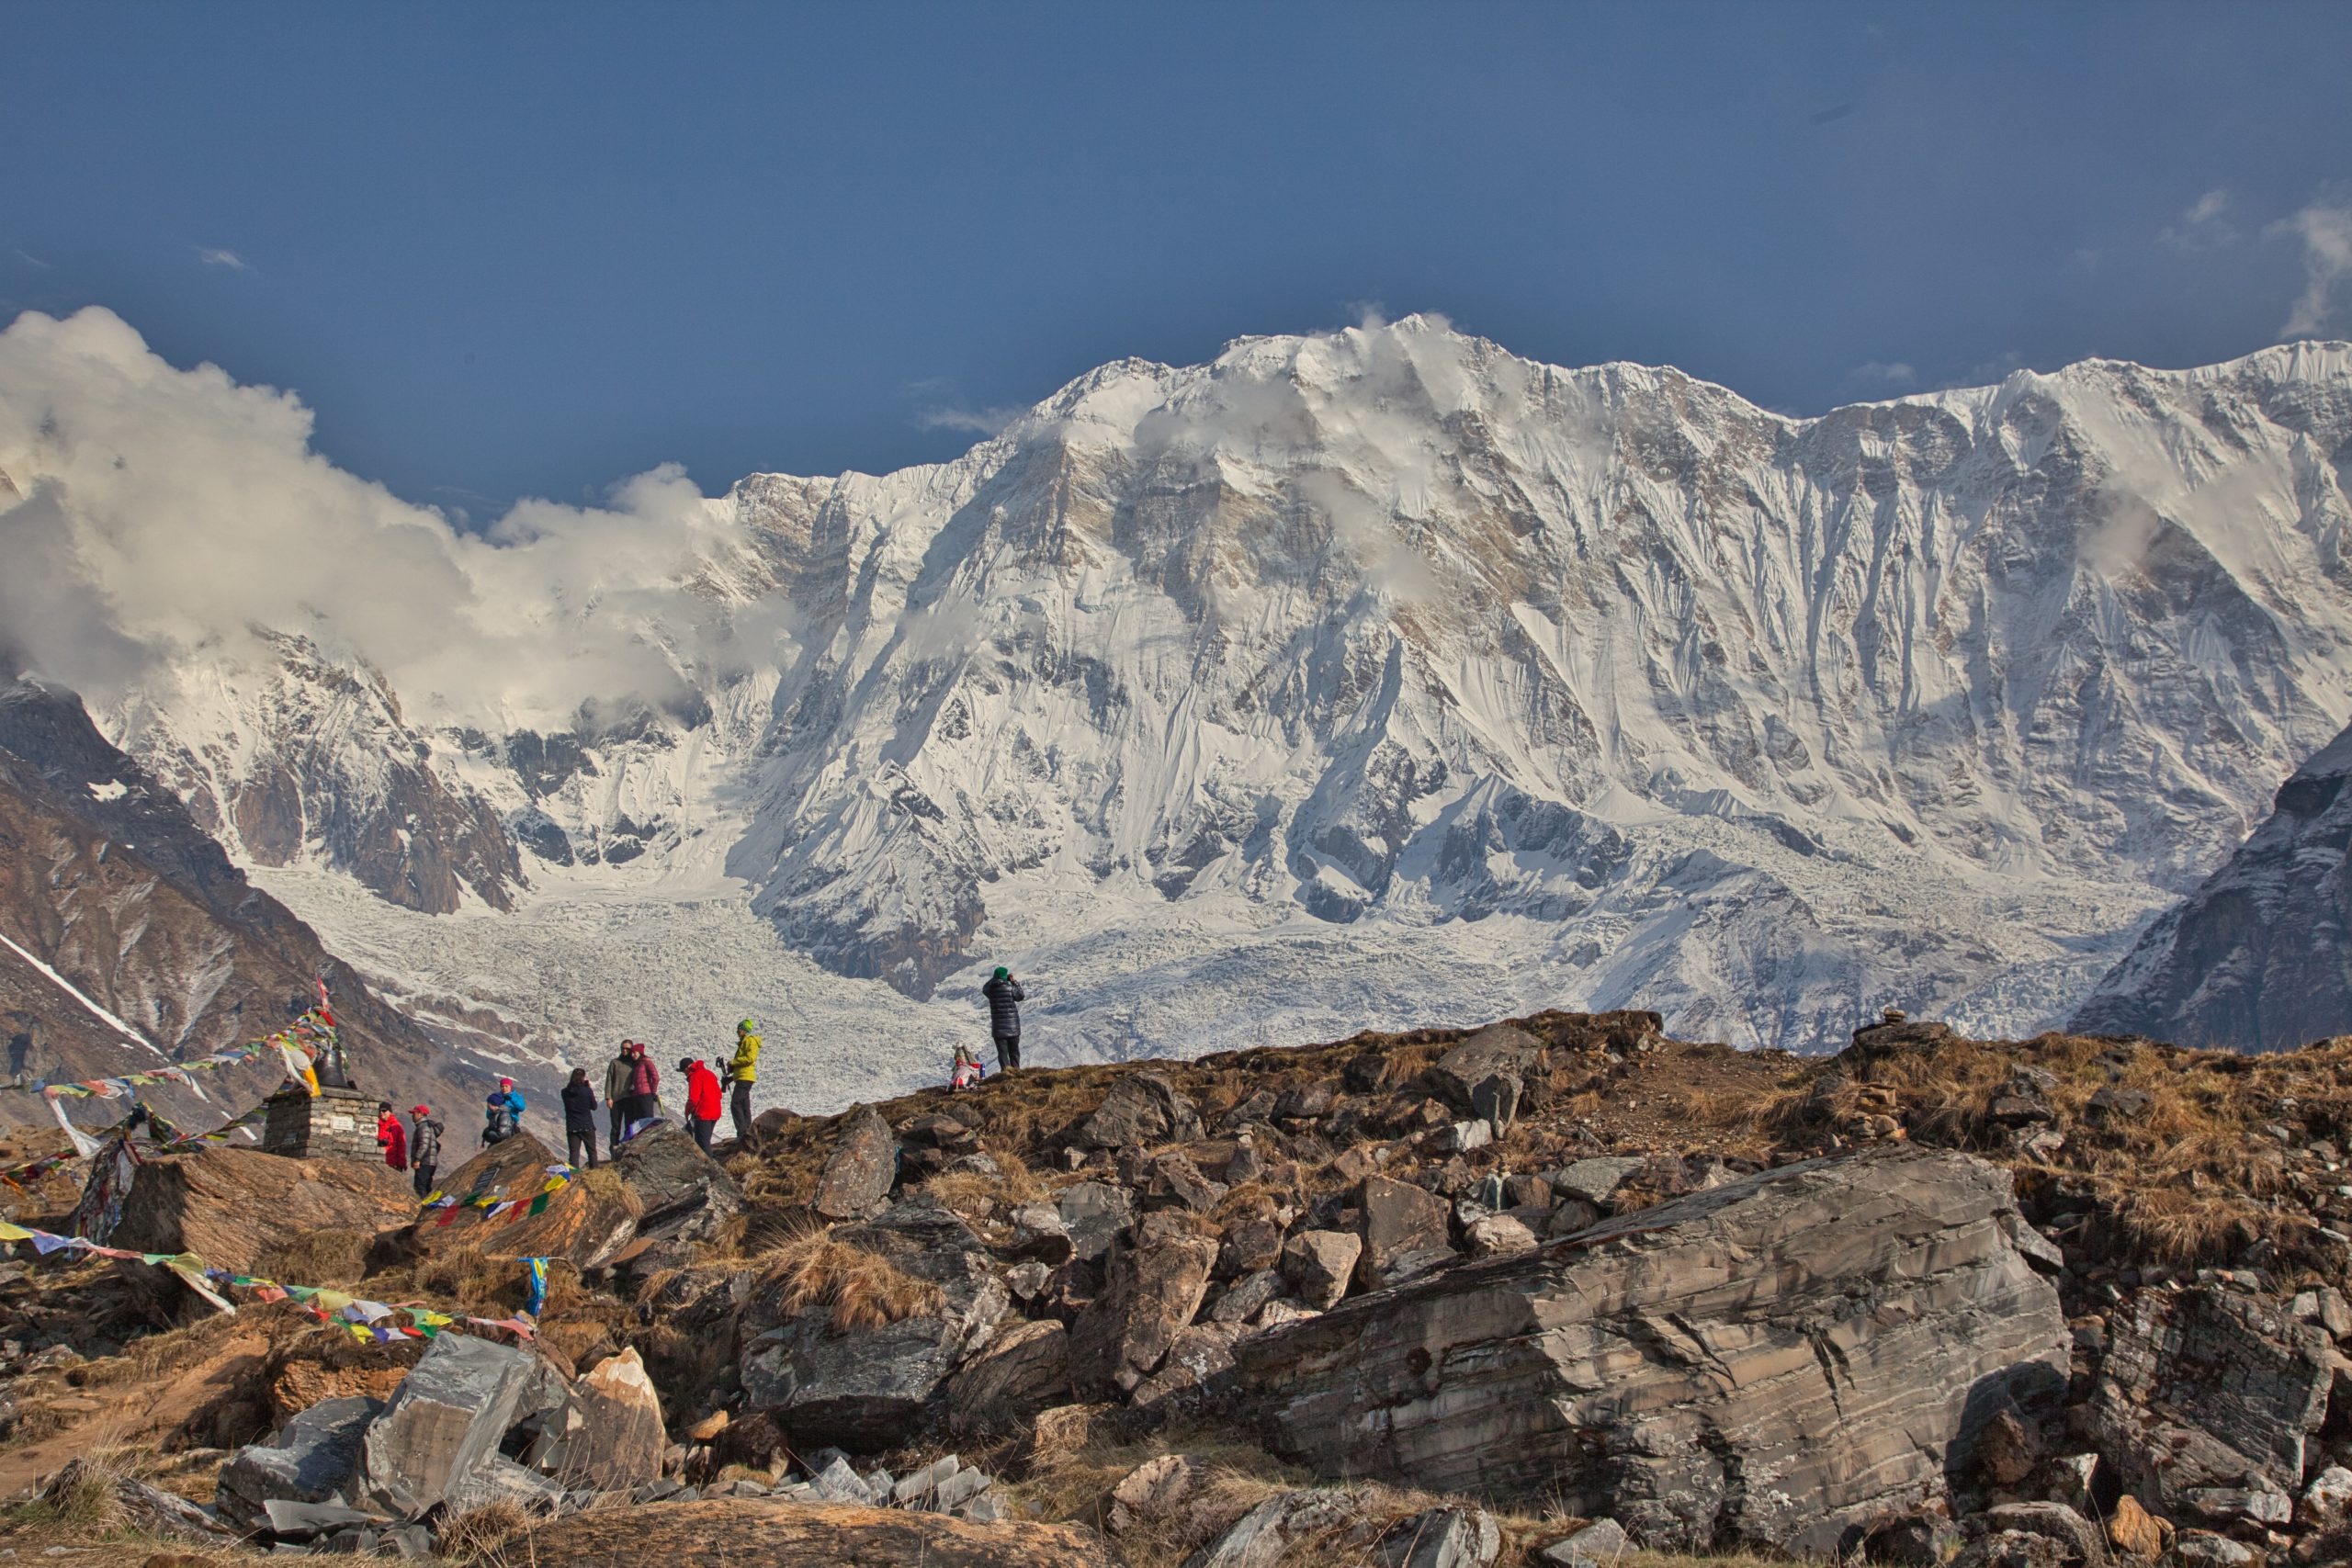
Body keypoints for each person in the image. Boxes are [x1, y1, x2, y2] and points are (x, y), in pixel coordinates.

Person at [725, 1020, 762, 1153]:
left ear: (744, 1030)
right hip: (743, 1077)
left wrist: (733, 1062)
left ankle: (742, 1132)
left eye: (739, 1029)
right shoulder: (745, 1042)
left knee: (735, 1104)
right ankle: (747, 1131)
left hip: (745, 1077)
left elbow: (750, 1058)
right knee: (744, 1105)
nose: (737, 1032)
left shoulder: (749, 1041)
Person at [981, 965, 1025, 1072]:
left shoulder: (991, 990)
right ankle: (1016, 1073)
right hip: (1013, 1027)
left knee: (1002, 1053)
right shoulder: (1011, 988)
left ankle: (1006, 1074)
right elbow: (1021, 996)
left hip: (999, 1029)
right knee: (1014, 1052)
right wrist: (1014, 982)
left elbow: (984, 988)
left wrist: (995, 979)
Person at [620, 1044, 661, 1142]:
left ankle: (649, 1141)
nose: (633, 1055)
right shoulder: (637, 1064)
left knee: (647, 1119)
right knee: (640, 1121)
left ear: (640, 1053)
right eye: (632, 1053)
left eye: (635, 1053)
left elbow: (655, 1077)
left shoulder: (646, 1062)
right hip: (637, 1095)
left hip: (646, 1094)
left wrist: (652, 1092)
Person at [561, 1067, 600, 1168]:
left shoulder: (565, 1092)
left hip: (572, 1126)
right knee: (592, 1152)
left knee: (574, 1154)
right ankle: (595, 1174)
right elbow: (594, 1107)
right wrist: (587, 1088)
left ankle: (574, 1176)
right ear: (583, 1077)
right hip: (587, 1125)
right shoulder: (587, 1091)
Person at [681, 1056, 722, 1152]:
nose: (685, 1074)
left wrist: (687, 1112)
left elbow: (693, 1099)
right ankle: (710, 1164)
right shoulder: (709, 1074)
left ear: (687, 1068)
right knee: (706, 1141)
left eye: (684, 1071)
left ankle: (709, 1166)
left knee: (702, 1144)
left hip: (703, 1114)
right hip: (715, 1112)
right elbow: (719, 1094)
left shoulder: (695, 1076)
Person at [603, 1042, 633, 1150]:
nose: (624, 1050)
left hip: (630, 1098)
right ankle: (614, 1148)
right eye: (622, 1048)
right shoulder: (615, 1063)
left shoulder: (634, 1063)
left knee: (629, 1124)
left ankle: (627, 1146)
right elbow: (609, 1079)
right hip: (616, 1098)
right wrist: (608, 1097)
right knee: (615, 1125)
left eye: (627, 1049)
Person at [408, 1104, 443, 1198]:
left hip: (425, 1162)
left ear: (420, 1114)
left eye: (414, 1113)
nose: (412, 1116)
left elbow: (424, 1144)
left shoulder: (423, 1127)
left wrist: (417, 1159)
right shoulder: (427, 1126)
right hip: (430, 1162)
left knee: (420, 1187)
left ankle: (421, 1208)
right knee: (426, 1186)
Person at [482, 1077, 525, 1146]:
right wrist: (492, 1109)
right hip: (497, 1124)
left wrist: (511, 1099)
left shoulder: (517, 1097)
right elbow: (488, 1115)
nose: (504, 1088)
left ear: (510, 1087)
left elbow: (521, 1108)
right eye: (502, 1086)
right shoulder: (496, 1098)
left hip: (511, 1124)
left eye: (506, 1086)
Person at [376, 1102, 408, 1171]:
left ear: (390, 1112)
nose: (381, 1112)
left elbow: (401, 1146)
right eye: (380, 1111)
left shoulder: (397, 1126)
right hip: (376, 1162)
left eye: (384, 1110)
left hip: (391, 1163)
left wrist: (401, 1163)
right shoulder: (375, 1124)